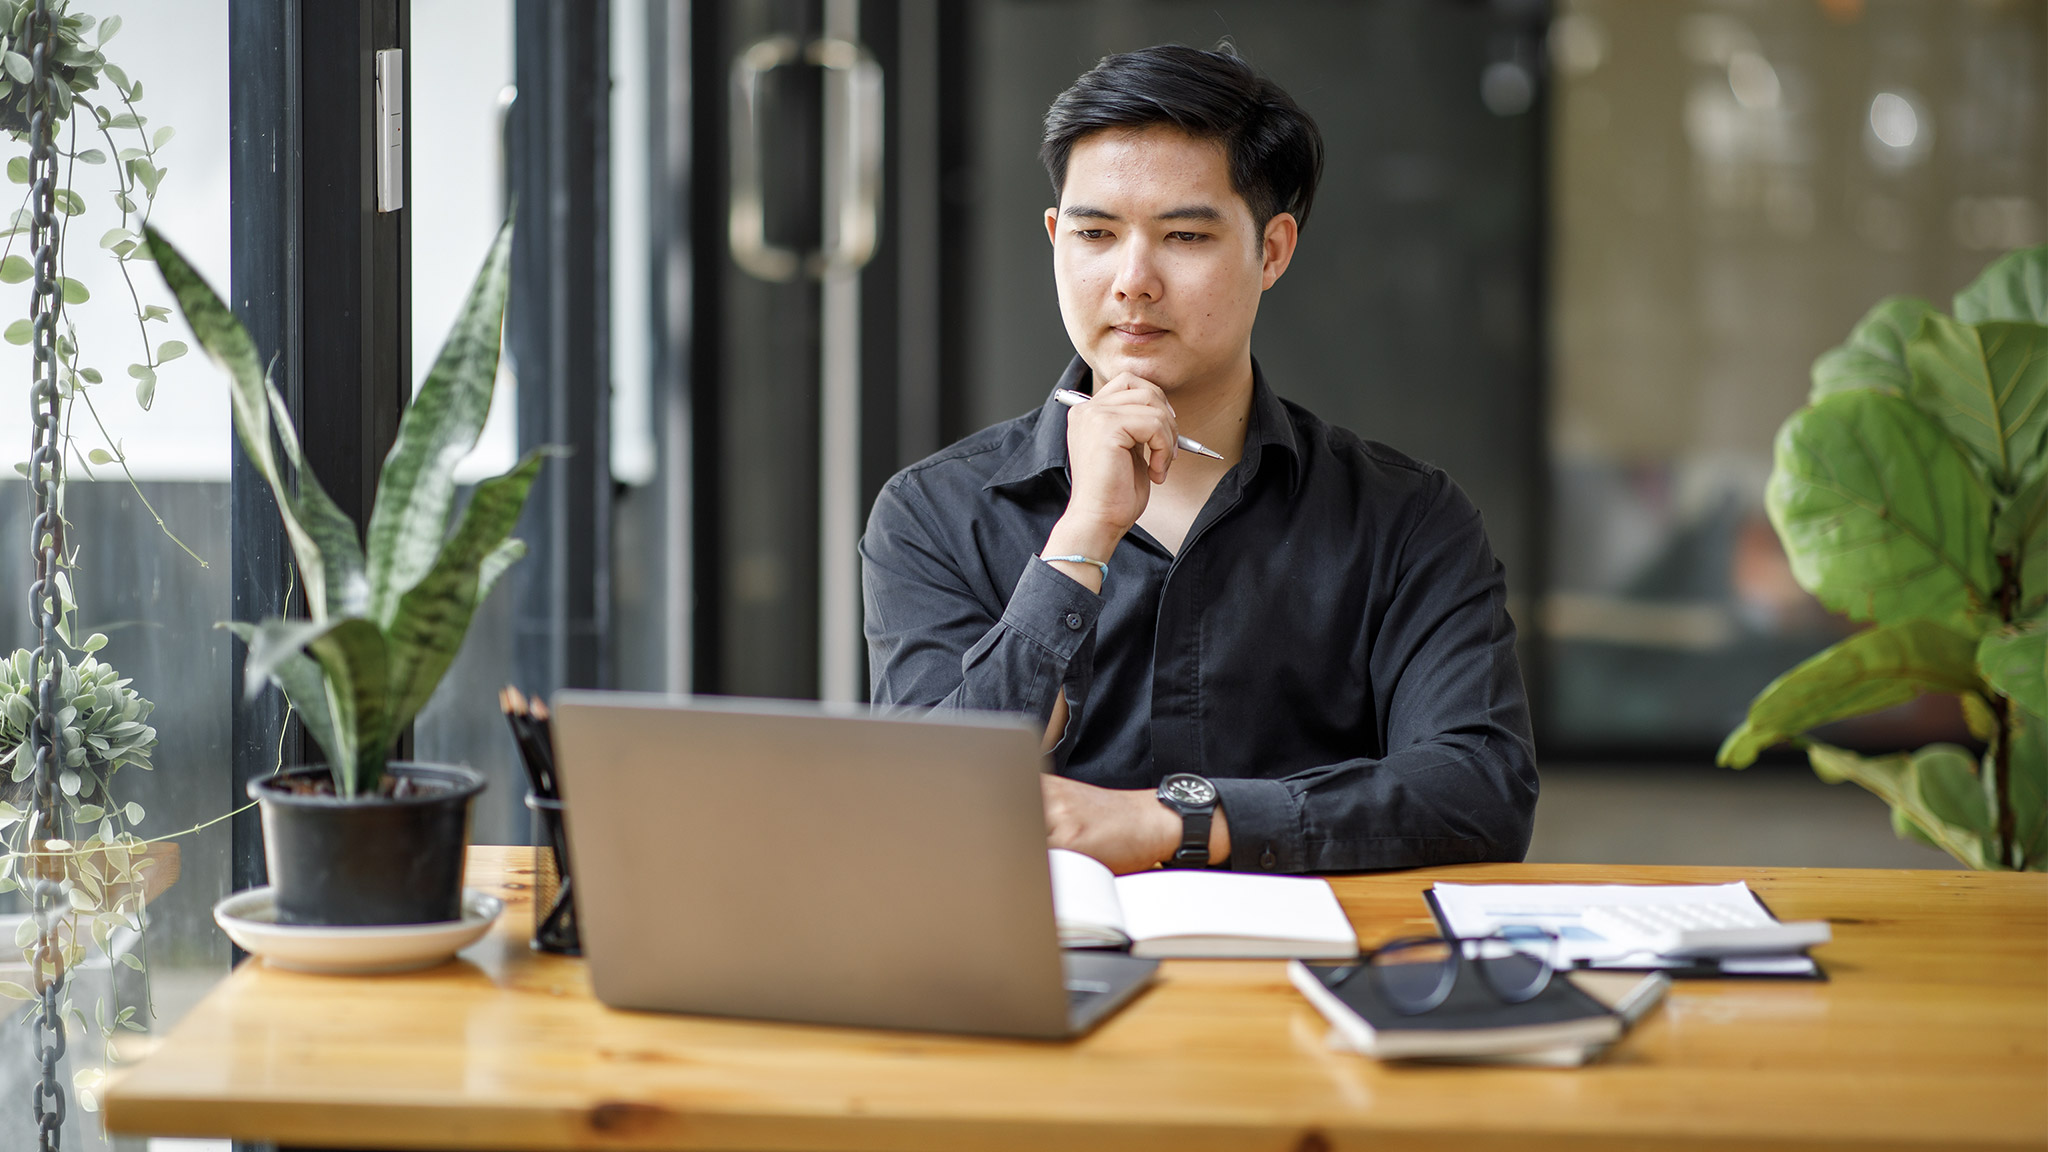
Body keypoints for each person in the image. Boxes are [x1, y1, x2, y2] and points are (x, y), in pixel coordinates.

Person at [860, 44, 1537, 875]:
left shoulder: (1405, 519)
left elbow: (1478, 791)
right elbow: (928, 799)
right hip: (1043, 975)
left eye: (1183, 235)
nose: (1132, 280)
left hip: (1317, 977)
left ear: (1273, 250)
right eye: (1096, 234)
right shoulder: (934, 512)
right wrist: (1082, 539)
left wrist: (1174, 822)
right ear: (1055, 239)